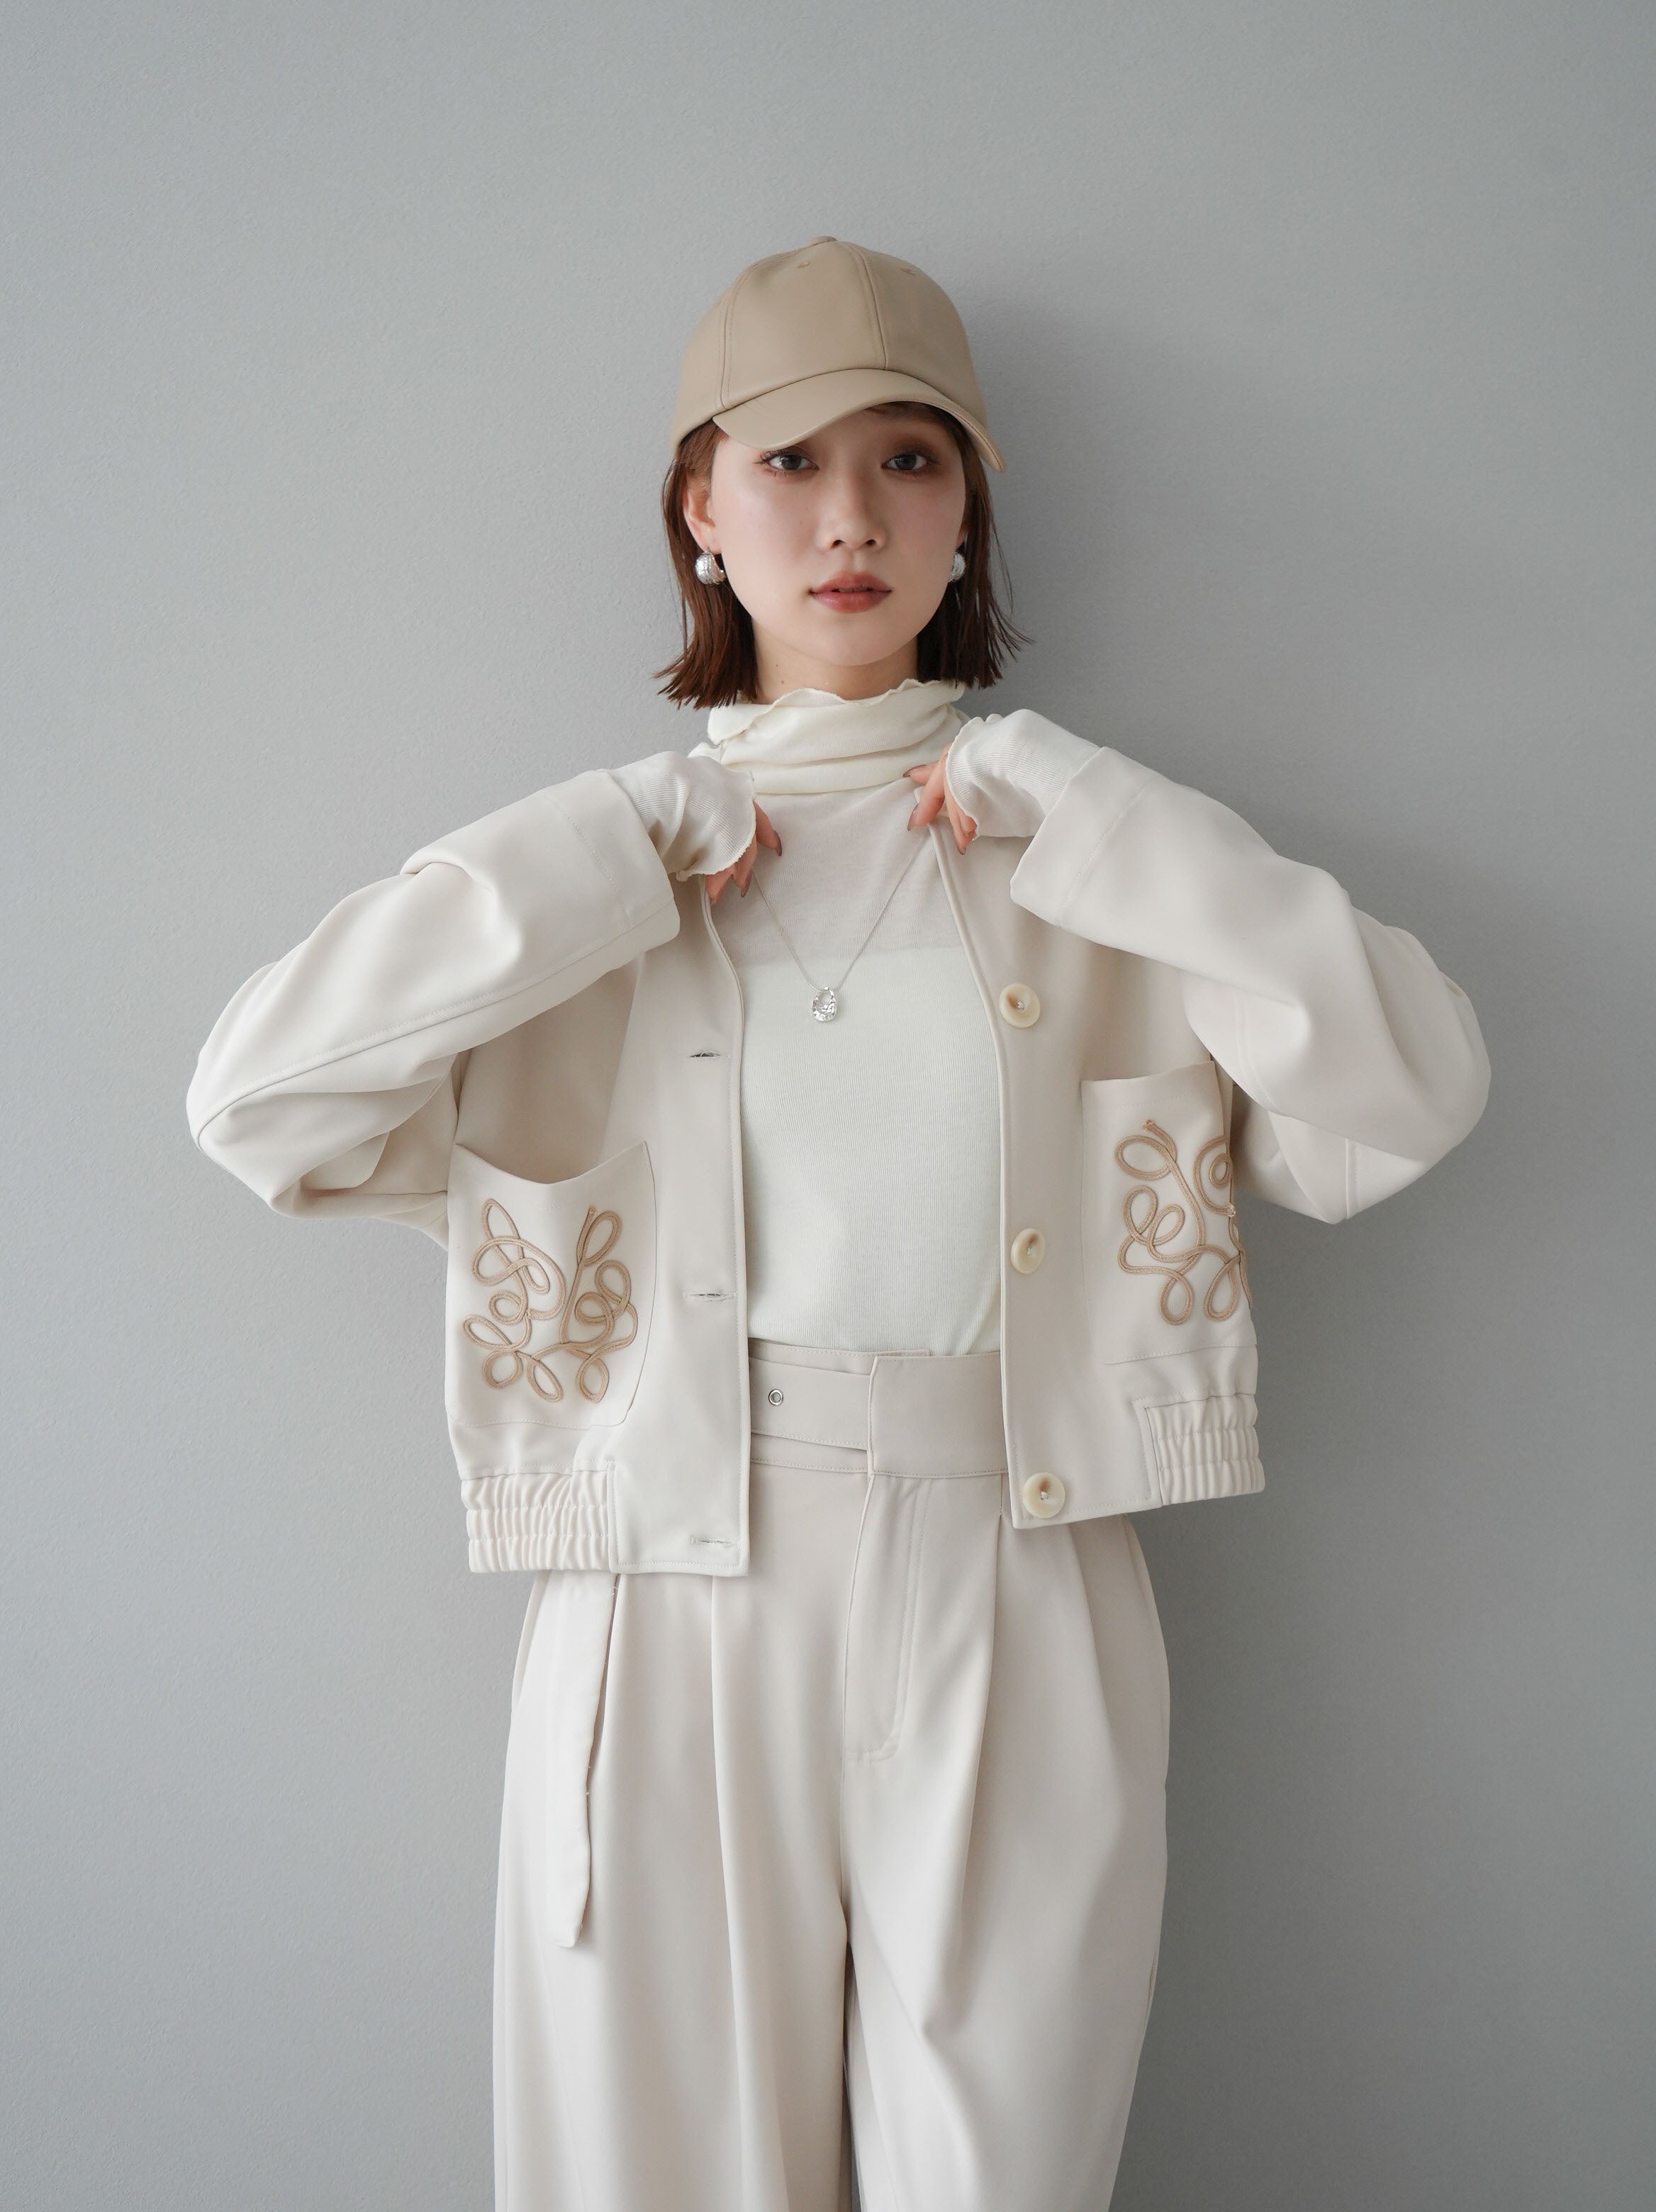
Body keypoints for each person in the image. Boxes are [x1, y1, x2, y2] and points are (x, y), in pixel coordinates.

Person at [185, 236, 1492, 2212]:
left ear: (968, 515)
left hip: (1022, 1562)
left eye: (908, 459)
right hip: (673, 1575)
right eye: (788, 463)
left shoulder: (1083, 854)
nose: (852, 517)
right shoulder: (604, 885)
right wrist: (606, 846)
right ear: (700, 513)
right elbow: (259, 1099)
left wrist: (1112, 818)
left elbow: (1409, 1090)